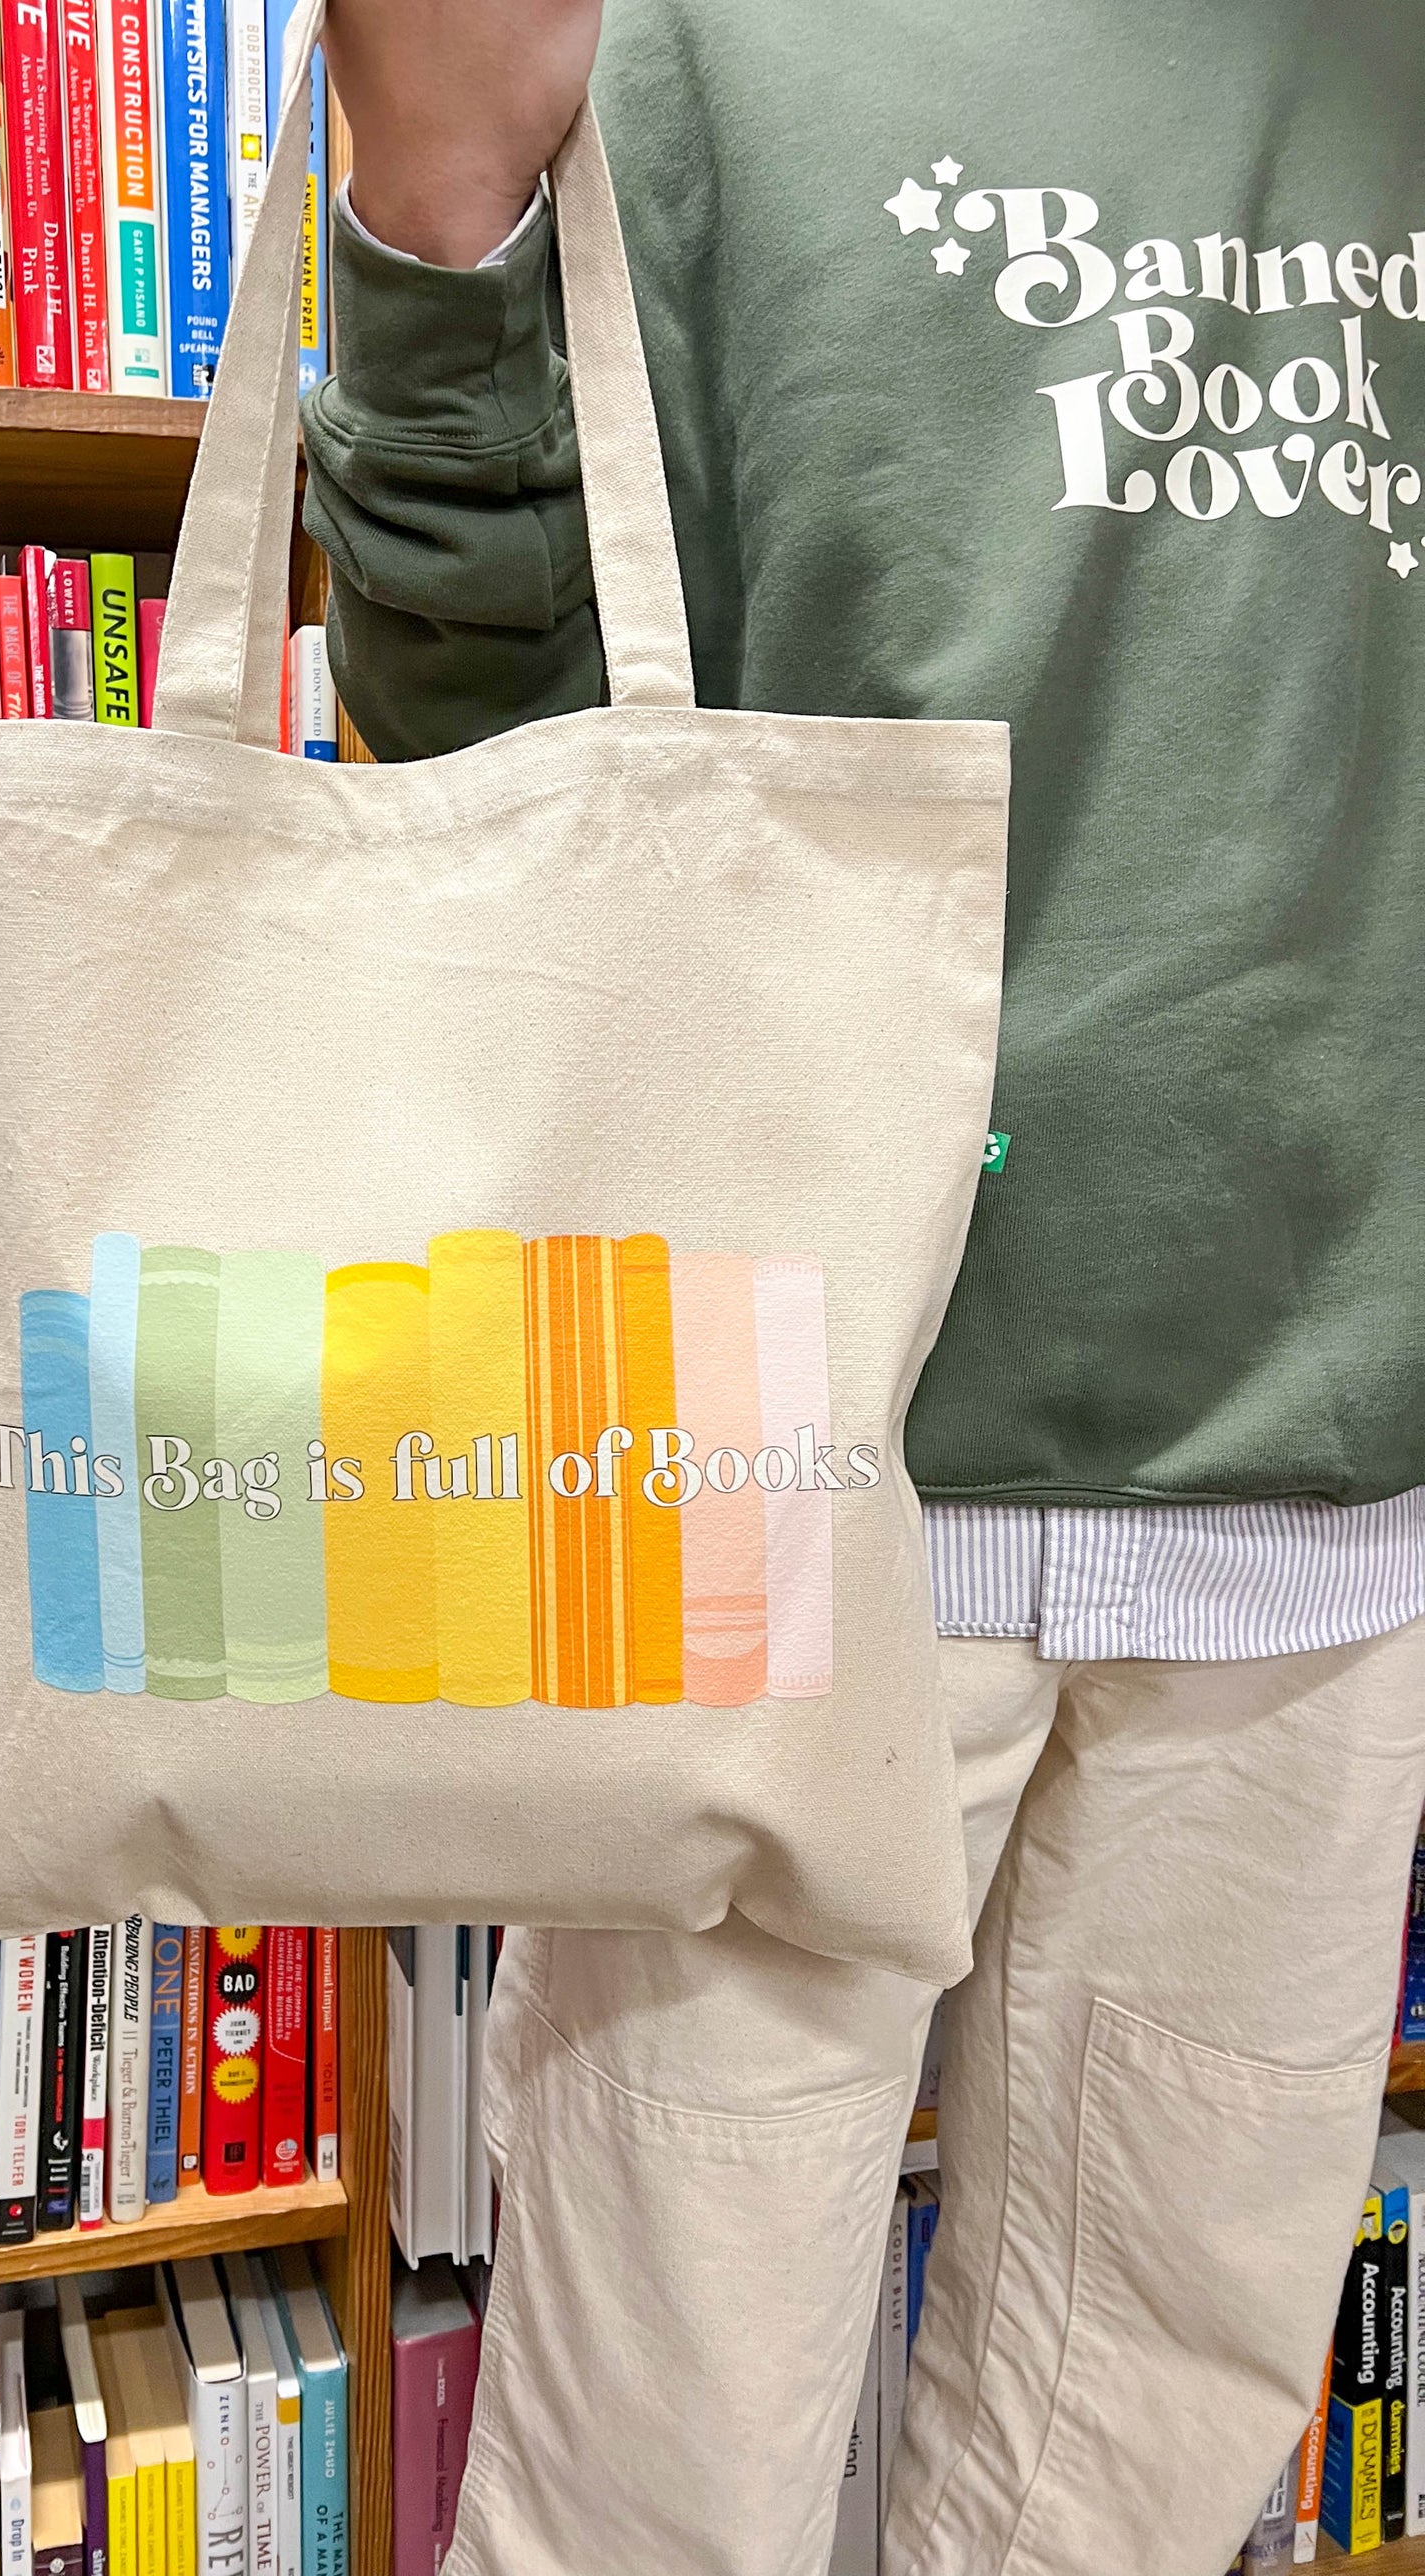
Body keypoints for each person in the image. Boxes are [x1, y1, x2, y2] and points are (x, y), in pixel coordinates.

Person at [306, 3, 1425, 2571]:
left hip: (1322, 1456)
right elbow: (479, 730)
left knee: (1144, 2440)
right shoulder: (698, 30)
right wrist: (435, 210)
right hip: (789, 1465)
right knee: (650, 2470)